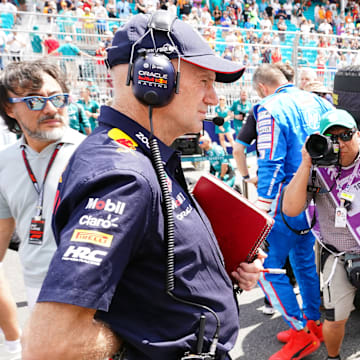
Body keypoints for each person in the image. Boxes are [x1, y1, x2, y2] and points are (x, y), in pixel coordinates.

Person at [22, 11, 264, 360]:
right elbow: (52, 345)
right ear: (155, 79)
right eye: (204, 82)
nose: (213, 98)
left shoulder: (142, 155)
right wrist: (136, 343)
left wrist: (214, 270)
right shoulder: (124, 176)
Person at [252, 64, 334, 360]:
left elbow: (270, 161)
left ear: (262, 87)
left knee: (265, 266)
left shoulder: (269, 107)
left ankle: (301, 333)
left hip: (287, 200)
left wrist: (262, 206)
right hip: (318, 198)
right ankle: (313, 324)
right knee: (303, 261)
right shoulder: (319, 101)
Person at [0, 60, 85, 309]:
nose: (50, 109)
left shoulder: (92, 154)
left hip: (89, 287)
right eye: (34, 101)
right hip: (36, 286)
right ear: (9, 108)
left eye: (57, 98)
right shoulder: (4, 163)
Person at [282, 109, 360, 360]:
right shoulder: (318, 171)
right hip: (336, 256)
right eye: (332, 138)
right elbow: (291, 208)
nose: (340, 143)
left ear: (358, 135)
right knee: (335, 320)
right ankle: (333, 357)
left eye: (346, 135)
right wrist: (306, 162)